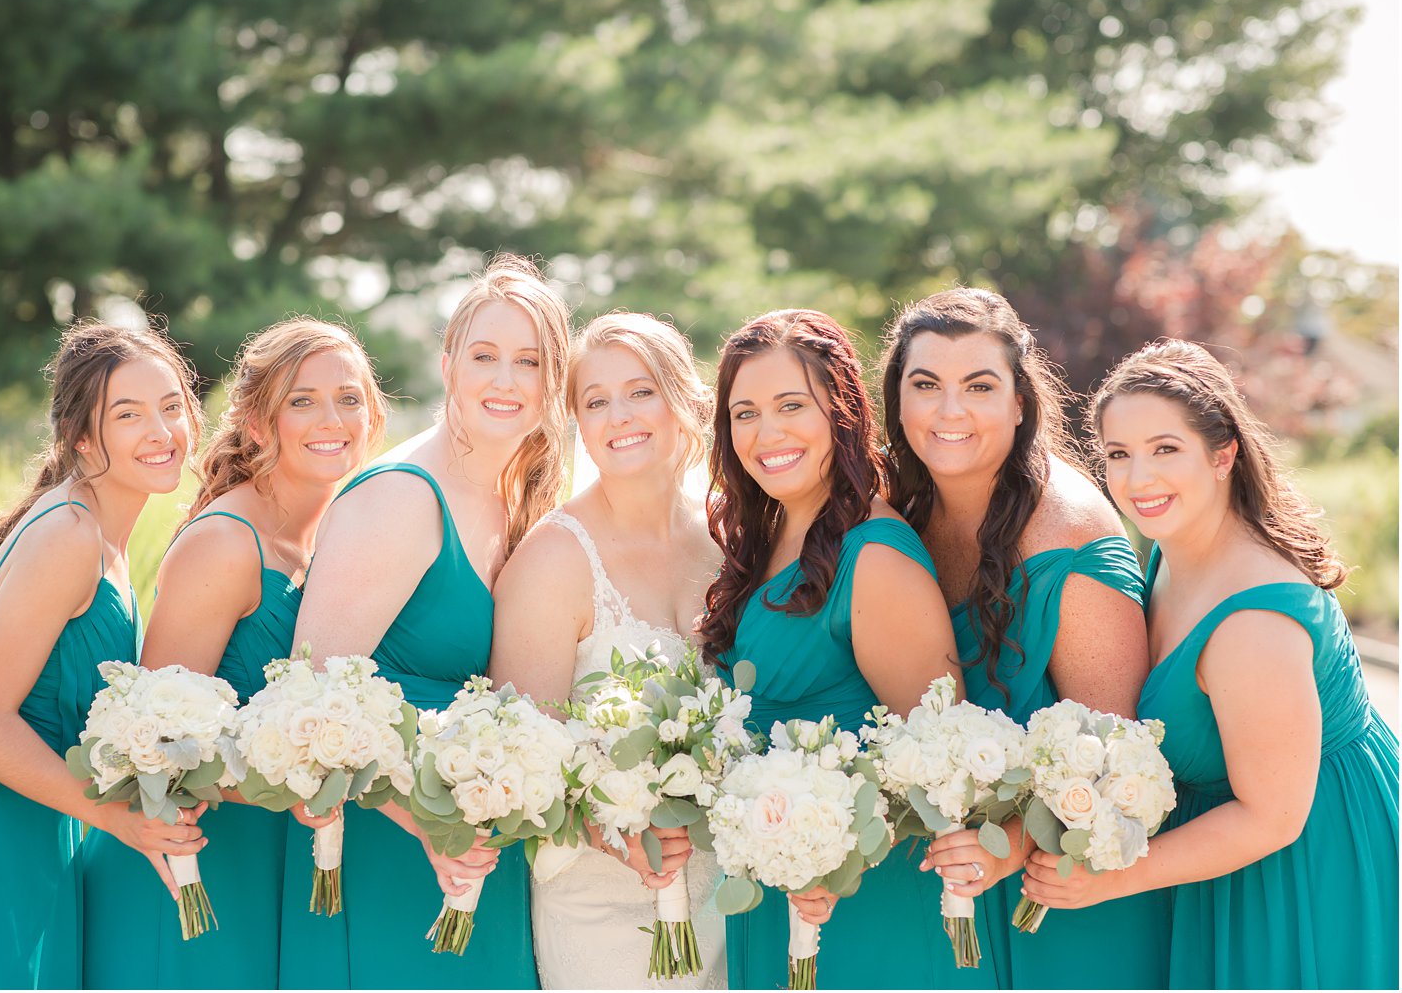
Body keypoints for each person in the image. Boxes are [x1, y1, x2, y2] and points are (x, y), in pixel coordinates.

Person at [1022, 338, 1399, 990]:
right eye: (1119, 454)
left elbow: (1274, 816)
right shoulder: (1174, 548)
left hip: (1305, 863)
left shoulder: (1255, 621)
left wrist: (1114, 874)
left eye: (1165, 449)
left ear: (1223, 453)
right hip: (1225, 853)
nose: (1139, 479)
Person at [0, 323, 203, 989]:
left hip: (29, 820)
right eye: (129, 414)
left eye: (172, 406)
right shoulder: (68, 535)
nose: (162, 430)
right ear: (82, 436)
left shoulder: (101, 536)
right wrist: (117, 819)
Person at [80, 319, 389, 988]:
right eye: (300, 400)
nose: (331, 417)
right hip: (191, 874)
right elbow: (153, 746)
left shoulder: (334, 540)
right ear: (254, 421)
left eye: (349, 397)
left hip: (272, 870)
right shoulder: (225, 543)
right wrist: (291, 780)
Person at [291, 254, 571, 988]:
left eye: (528, 360)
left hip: (473, 843)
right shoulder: (402, 498)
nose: (505, 380)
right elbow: (309, 702)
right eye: (484, 356)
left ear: (554, 381)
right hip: (391, 847)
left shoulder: (517, 499)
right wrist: (426, 824)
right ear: (448, 363)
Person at [879, 287, 1169, 988]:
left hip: (1064, 890)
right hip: (949, 888)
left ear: (1018, 402)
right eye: (926, 385)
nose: (950, 411)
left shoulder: (1066, 535)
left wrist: (1010, 844)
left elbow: (1116, 757)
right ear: (897, 402)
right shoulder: (898, 510)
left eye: (978, 386)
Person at [696, 309, 958, 990]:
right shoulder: (770, 530)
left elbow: (940, 765)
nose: (766, 432)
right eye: (744, 412)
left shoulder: (874, 556)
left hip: (858, 910)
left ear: (841, 411)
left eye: (792, 405)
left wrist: (837, 860)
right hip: (774, 895)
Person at [490, 312, 726, 989]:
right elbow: (525, 755)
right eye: (595, 401)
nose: (620, 415)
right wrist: (620, 817)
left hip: (722, 890)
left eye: (641, 390)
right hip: (602, 898)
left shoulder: (727, 534)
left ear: (683, 397)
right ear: (578, 424)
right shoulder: (554, 559)